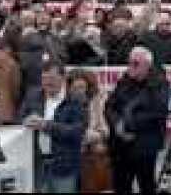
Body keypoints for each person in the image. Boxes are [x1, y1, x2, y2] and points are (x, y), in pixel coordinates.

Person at [104, 46, 170, 195]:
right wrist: (117, 124)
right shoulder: (124, 80)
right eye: (129, 62)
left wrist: (127, 125)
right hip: (120, 145)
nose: (130, 67)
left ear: (147, 65)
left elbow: (157, 112)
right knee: (120, 186)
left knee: (146, 186)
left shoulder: (159, 83)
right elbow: (109, 106)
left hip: (144, 145)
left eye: (135, 63)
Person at [21, 60, 87, 193]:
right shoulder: (33, 96)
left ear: (63, 78)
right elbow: (20, 118)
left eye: (52, 78)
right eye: (44, 79)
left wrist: (47, 126)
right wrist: (25, 121)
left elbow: (77, 131)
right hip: (37, 166)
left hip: (64, 168)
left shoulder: (75, 100)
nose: (47, 83)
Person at [67, 69, 111, 194]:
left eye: (81, 87)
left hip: (91, 154)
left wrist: (93, 135)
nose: (78, 91)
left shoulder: (98, 101)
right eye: (75, 88)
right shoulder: (66, 103)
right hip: (70, 154)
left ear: (88, 87)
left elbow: (106, 130)